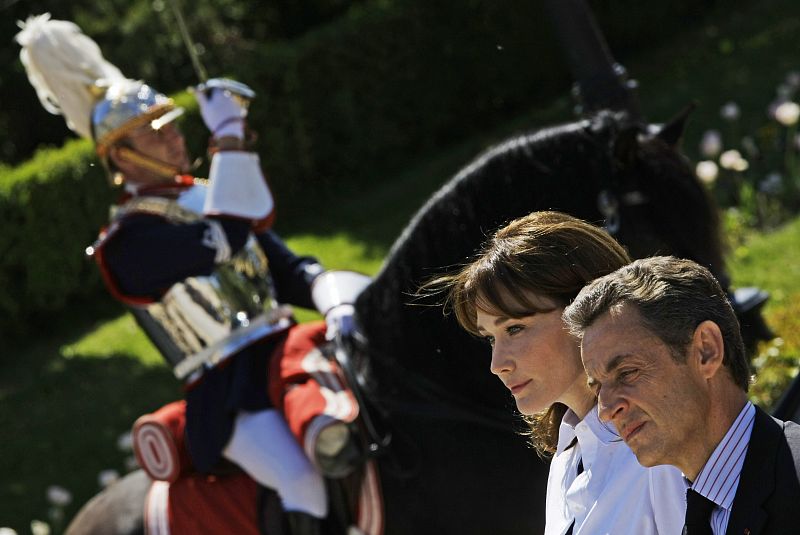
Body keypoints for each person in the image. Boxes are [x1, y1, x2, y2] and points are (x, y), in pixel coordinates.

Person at [16, 14, 367, 535]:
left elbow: (288, 268)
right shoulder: (126, 244)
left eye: (173, 125)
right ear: (120, 156)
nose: (175, 139)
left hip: (290, 349)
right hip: (229, 393)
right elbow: (223, 242)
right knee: (299, 478)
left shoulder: (209, 194)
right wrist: (227, 135)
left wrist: (334, 299)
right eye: (155, 134)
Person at [433, 211, 685, 534]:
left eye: (514, 328)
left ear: (588, 307)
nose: (497, 365)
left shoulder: (661, 450)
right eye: (490, 338)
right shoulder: (565, 462)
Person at [563, 256, 800, 535]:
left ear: (706, 351)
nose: (605, 410)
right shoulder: (701, 514)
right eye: (598, 387)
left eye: (627, 373)